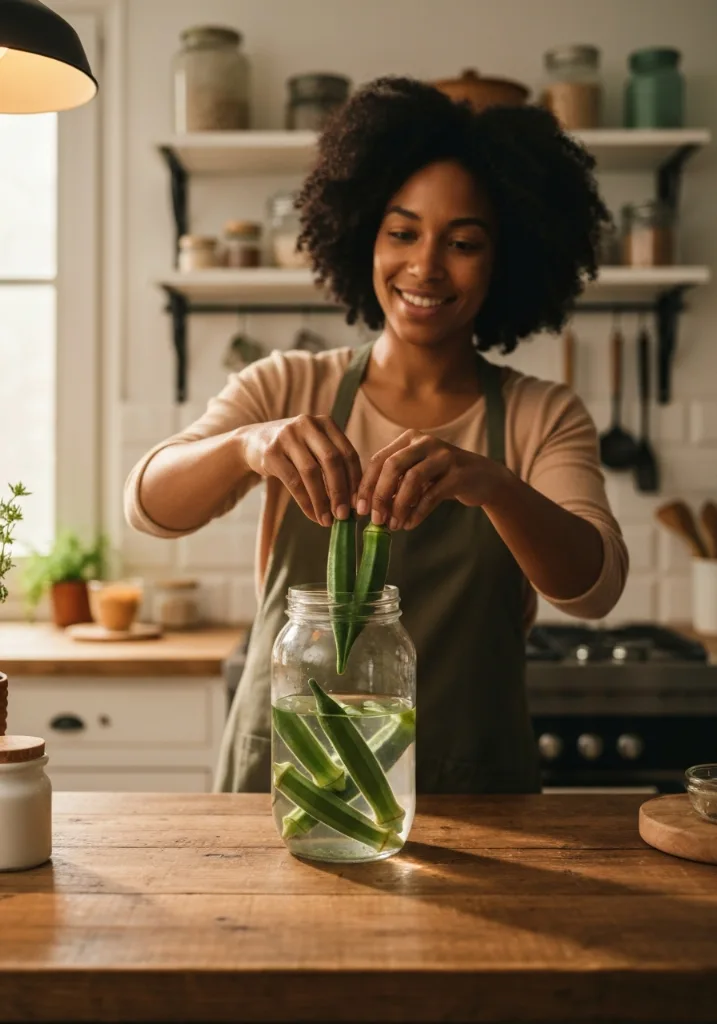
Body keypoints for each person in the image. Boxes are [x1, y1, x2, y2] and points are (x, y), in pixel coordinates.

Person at [125, 76, 628, 795]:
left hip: (469, 788)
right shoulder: (287, 385)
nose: (424, 266)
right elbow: (148, 506)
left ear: (505, 260)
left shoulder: (538, 415)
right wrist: (246, 446)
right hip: (287, 775)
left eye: (462, 242)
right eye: (401, 233)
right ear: (363, 234)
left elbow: (594, 588)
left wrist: (492, 483)